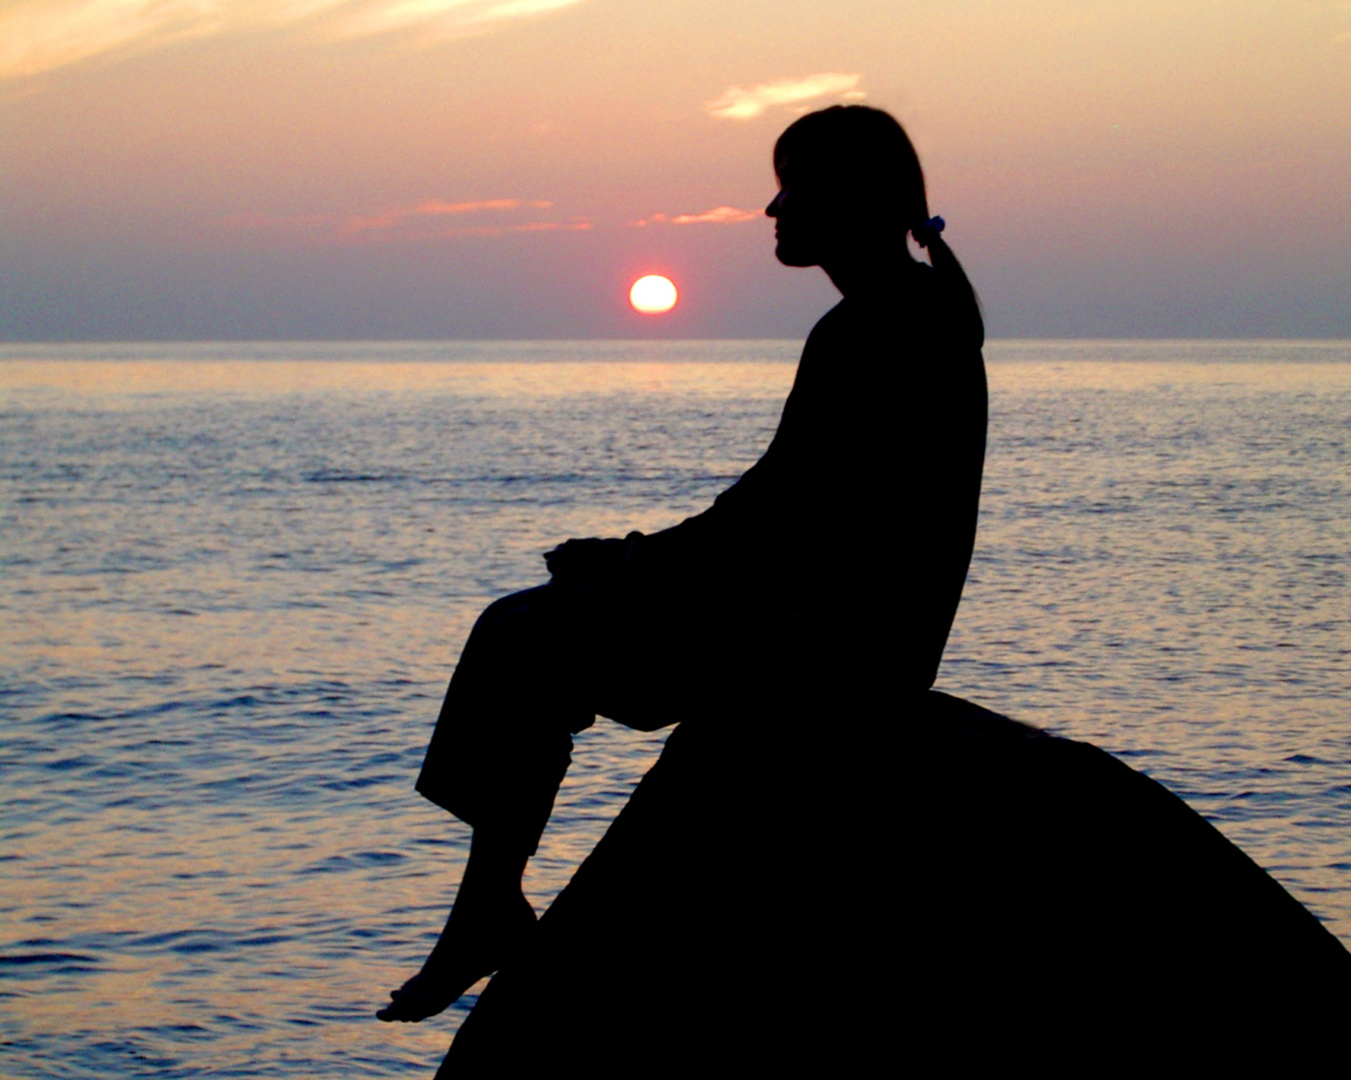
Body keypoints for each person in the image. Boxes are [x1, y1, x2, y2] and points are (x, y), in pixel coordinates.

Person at [376, 104, 988, 1024]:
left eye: (793, 186)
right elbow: (777, 512)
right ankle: (487, 905)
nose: (771, 208)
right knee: (517, 624)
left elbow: (778, 522)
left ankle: (486, 912)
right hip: (815, 625)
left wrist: (627, 562)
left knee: (527, 638)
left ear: (849, 198)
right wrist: (630, 565)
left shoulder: (883, 328)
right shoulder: (894, 315)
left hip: (827, 653)